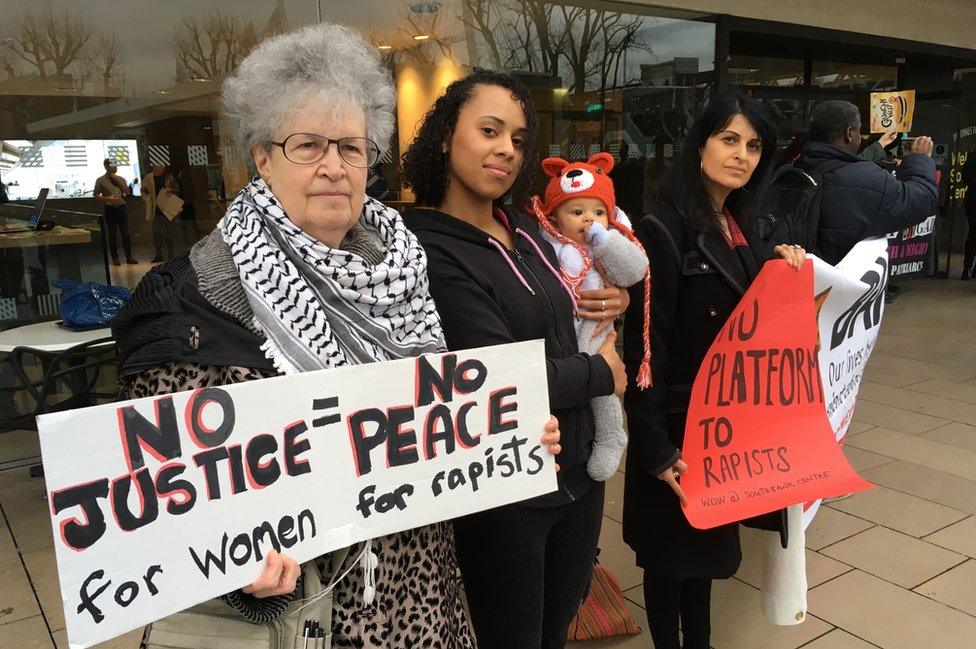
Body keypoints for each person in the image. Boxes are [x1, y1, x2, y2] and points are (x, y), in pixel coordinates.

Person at [114, 24, 566, 647]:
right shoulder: (189, 298)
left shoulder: (404, 268)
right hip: (313, 618)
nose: (333, 167)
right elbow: (162, 505)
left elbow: (440, 421)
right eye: (307, 145)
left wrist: (505, 432)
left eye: (350, 147)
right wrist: (234, 574)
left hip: (424, 602)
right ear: (263, 157)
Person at [401, 68, 628, 649]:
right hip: (509, 496)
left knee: (556, 631)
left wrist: (613, 298)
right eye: (490, 130)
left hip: (577, 479)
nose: (506, 148)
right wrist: (602, 374)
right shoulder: (429, 249)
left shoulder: (524, 229)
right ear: (447, 136)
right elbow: (496, 376)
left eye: (519, 138)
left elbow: (572, 308)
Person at [621, 88, 805, 649]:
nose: (741, 155)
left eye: (753, 145)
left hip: (725, 430)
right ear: (700, 143)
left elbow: (749, 318)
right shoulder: (663, 228)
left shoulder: (741, 228)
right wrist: (656, 451)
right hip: (679, 429)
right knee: (669, 561)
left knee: (704, 560)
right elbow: (647, 348)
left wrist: (781, 270)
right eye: (729, 139)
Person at [529, 152, 649, 481]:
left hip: (595, 332)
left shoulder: (609, 243)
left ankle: (612, 436)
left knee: (603, 389)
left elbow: (634, 270)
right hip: (560, 336)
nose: (589, 221)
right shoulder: (543, 244)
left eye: (598, 212)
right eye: (577, 211)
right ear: (554, 217)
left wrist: (606, 240)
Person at [797, 100, 937, 265]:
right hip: (845, 284)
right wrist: (919, 159)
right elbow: (920, 200)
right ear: (849, 133)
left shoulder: (792, 170)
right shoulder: (864, 177)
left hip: (799, 278)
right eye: (859, 131)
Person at [93, 158, 138, 265]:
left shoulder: (121, 178)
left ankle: (129, 257)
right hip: (110, 209)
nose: (115, 167)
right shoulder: (100, 180)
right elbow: (95, 196)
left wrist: (117, 180)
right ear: (106, 167)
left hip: (121, 208)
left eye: (116, 165)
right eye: (113, 165)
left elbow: (127, 193)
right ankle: (115, 258)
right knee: (112, 234)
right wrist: (106, 199)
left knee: (126, 234)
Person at [141, 162, 179, 262]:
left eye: (163, 166)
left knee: (170, 232)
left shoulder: (169, 177)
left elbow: (177, 189)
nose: (163, 167)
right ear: (155, 167)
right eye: (160, 166)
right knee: (156, 233)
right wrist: (146, 200)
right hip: (155, 208)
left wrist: (171, 189)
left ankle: (170, 253)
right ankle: (158, 254)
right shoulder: (148, 178)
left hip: (168, 207)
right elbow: (143, 190)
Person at [961, 150, 976, 279]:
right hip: (973, 199)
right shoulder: (972, 158)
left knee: (973, 233)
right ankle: (968, 267)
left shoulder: (971, 158)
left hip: (971, 199)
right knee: (973, 233)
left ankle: (968, 268)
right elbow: (967, 179)